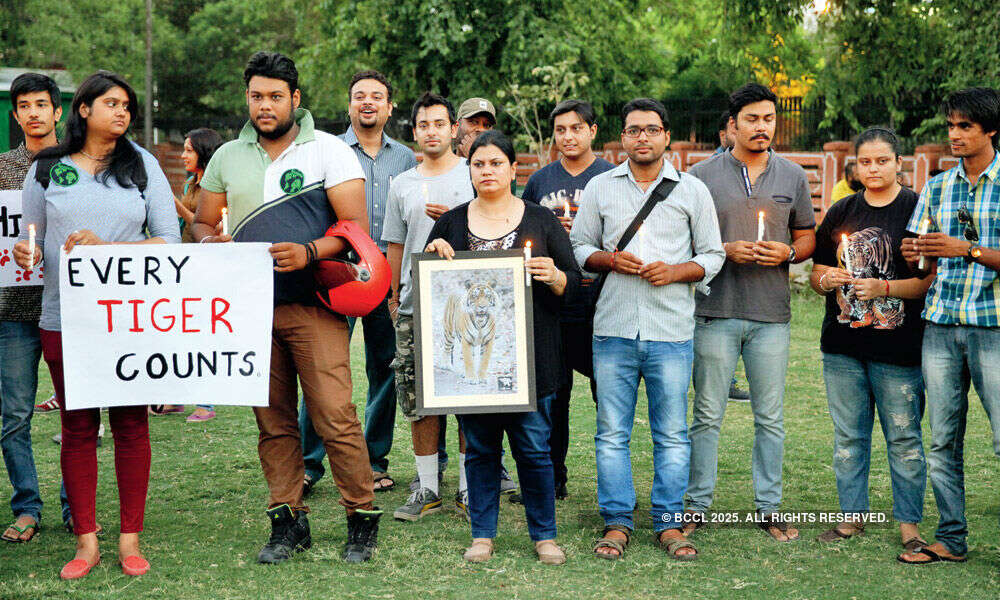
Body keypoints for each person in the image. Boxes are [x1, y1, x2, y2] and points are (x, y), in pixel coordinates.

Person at [191, 51, 380, 565]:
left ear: (295, 99)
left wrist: (310, 252)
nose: (266, 105)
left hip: (314, 305)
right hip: (249, 311)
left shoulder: (328, 151)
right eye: (257, 96)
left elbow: (355, 231)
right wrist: (211, 242)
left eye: (276, 96)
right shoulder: (227, 154)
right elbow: (203, 223)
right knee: (273, 423)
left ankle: (361, 519)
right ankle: (287, 522)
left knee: (334, 415)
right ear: (247, 98)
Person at [14, 70, 181, 579]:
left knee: (132, 425)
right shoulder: (46, 168)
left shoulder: (144, 165)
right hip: (65, 318)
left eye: (127, 105)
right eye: (112, 103)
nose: (123, 113)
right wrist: (27, 252)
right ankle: (86, 543)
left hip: (131, 320)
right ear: (83, 109)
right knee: (77, 426)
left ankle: (129, 538)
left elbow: (169, 243)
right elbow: (32, 242)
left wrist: (111, 250)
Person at [571, 98, 725, 560]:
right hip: (613, 329)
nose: (643, 137)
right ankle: (617, 522)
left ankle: (669, 524)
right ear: (621, 137)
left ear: (666, 138)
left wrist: (677, 272)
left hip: (671, 331)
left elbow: (714, 255)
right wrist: (609, 260)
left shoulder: (692, 191)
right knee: (611, 433)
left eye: (652, 130)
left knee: (672, 434)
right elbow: (578, 246)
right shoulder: (601, 187)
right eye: (634, 130)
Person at [425, 130, 580, 565]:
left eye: (496, 163)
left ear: (514, 169)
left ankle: (544, 535)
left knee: (534, 450)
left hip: (533, 363)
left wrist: (555, 276)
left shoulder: (541, 220)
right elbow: (434, 294)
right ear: (469, 170)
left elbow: (573, 288)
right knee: (479, 450)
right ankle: (482, 535)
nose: (487, 170)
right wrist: (432, 252)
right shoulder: (452, 224)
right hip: (474, 372)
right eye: (478, 164)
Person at [685, 83, 816, 542]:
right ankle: (696, 506)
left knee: (771, 417)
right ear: (733, 124)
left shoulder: (793, 175)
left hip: (770, 315)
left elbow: (807, 237)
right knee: (706, 414)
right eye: (752, 120)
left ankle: (769, 508)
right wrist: (723, 249)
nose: (762, 128)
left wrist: (788, 253)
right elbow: (685, 242)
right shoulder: (699, 176)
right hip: (715, 310)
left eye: (769, 119)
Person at [810, 127, 931, 553]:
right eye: (866, 162)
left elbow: (927, 281)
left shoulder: (917, 209)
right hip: (843, 348)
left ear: (899, 163)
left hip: (899, 349)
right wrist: (828, 280)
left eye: (882, 160)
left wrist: (884, 290)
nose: (874, 168)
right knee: (849, 437)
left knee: (903, 437)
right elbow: (817, 274)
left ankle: (909, 527)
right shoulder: (842, 209)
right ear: (855, 166)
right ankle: (851, 518)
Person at [298, 70, 416, 496]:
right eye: (359, 96)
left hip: (388, 273)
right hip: (336, 271)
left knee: (385, 366)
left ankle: (375, 458)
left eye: (377, 96)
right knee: (321, 367)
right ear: (349, 105)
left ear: (389, 107)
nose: (368, 102)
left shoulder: (406, 159)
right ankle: (308, 463)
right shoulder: (324, 151)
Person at [898, 87, 1000, 565]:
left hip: (993, 325)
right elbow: (921, 257)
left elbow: (963, 250)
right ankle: (952, 539)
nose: (954, 135)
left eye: (965, 127)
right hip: (939, 326)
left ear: (991, 130)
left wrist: (969, 250)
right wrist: (913, 253)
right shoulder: (937, 186)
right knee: (942, 438)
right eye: (951, 127)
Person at [384, 92, 474, 522]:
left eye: (440, 123)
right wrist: (390, 294)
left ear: (453, 129)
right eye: (424, 125)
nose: (432, 131)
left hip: (465, 304)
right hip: (413, 304)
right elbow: (395, 247)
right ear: (414, 131)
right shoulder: (403, 184)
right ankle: (427, 487)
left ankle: (469, 487)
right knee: (417, 396)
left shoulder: (474, 175)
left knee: (470, 396)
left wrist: (458, 217)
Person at [520, 99, 613, 500]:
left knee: (607, 393)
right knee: (552, 396)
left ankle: (613, 483)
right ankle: (551, 478)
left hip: (601, 297)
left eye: (576, 128)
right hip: (552, 299)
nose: (568, 137)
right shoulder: (541, 181)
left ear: (592, 131)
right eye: (560, 130)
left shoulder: (611, 176)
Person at [0, 72, 61, 544]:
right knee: (16, 413)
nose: (34, 112)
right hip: (13, 309)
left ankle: (74, 505)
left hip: (68, 307)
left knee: (77, 413)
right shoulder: (2, 169)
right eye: (25, 105)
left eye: (42, 103)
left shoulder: (78, 165)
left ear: (58, 111)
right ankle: (27, 506)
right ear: (15, 114)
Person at [172, 127, 224, 423]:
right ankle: (175, 397)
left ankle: (206, 403)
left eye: (189, 150)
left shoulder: (213, 185)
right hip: (185, 262)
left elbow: (208, 224)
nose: (183, 155)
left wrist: (177, 206)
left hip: (207, 264)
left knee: (203, 334)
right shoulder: (192, 182)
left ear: (203, 152)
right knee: (179, 331)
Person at [712, 110, 752, 403]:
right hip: (714, 286)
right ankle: (725, 381)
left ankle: (729, 380)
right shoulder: (707, 171)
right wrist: (723, 248)